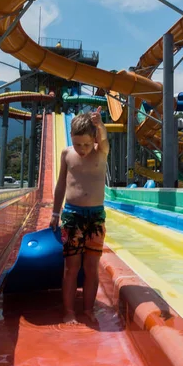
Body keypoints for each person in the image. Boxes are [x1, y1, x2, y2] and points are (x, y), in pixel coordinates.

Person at [50, 107, 109, 325]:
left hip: (95, 217)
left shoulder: (101, 150)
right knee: (71, 266)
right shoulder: (67, 153)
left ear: (94, 138)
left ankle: (88, 309)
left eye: (86, 144)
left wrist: (100, 124)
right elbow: (60, 185)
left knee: (91, 267)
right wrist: (56, 212)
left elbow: (103, 137)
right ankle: (69, 311)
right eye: (77, 144)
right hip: (72, 215)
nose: (82, 149)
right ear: (71, 139)